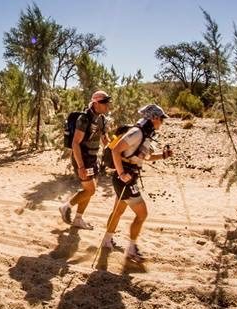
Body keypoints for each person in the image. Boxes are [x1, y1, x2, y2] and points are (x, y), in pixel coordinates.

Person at [102, 103, 172, 261]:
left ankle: (107, 241)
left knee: (118, 212)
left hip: (128, 177)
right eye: (161, 118)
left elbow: (143, 157)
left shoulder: (146, 134)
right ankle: (132, 249)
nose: (162, 121)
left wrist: (163, 156)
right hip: (125, 179)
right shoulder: (137, 132)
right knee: (142, 214)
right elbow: (115, 150)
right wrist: (121, 173)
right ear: (154, 118)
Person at [59, 91, 111, 230]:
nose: (107, 105)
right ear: (95, 103)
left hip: (93, 158)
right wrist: (81, 166)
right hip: (82, 158)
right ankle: (66, 207)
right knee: (91, 190)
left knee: (89, 190)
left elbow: (105, 140)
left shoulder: (102, 119)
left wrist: (117, 150)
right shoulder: (84, 119)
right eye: (104, 102)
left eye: (107, 102)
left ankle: (78, 219)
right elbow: (75, 143)